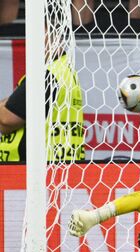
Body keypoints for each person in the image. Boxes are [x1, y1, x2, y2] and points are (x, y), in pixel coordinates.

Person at [0, 4, 85, 162]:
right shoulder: (63, 70)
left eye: (36, 33)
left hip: (35, 167)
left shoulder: (47, 75)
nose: (29, 40)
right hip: (60, 166)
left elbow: (6, 120)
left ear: (54, 34)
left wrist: (5, 106)